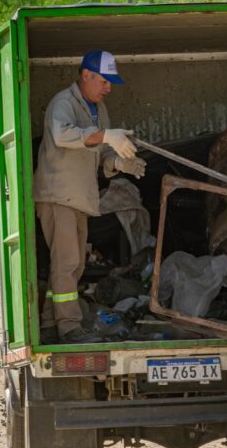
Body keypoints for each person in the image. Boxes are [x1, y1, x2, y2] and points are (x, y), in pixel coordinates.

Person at [32, 50, 145, 344]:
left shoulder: (98, 109)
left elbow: (102, 153)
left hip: (78, 197)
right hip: (58, 196)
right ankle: (69, 328)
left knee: (71, 264)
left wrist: (119, 162)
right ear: (86, 75)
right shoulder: (63, 103)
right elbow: (63, 136)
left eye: (110, 82)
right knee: (68, 264)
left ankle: (50, 323)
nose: (108, 88)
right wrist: (107, 136)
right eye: (104, 81)